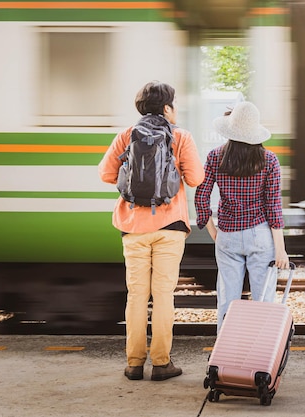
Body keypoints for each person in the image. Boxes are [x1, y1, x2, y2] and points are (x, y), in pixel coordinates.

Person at [98, 81, 204, 381]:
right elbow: (196, 178)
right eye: (175, 105)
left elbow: (106, 173)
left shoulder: (126, 136)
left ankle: (134, 363)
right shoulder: (180, 136)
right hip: (170, 228)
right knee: (163, 296)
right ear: (167, 108)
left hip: (133, 228)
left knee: (136, 296)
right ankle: (161, 363)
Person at [195, 101, 290, 333]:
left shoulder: (214, 157)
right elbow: (273, 207)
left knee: (228, 301)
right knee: (264, 302)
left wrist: (214, 233)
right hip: (260, 235)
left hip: (227, 234)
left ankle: (223, 359)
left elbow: (201, 198)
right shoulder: (269, 160)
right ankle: (262, 359)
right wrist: (280, 249)